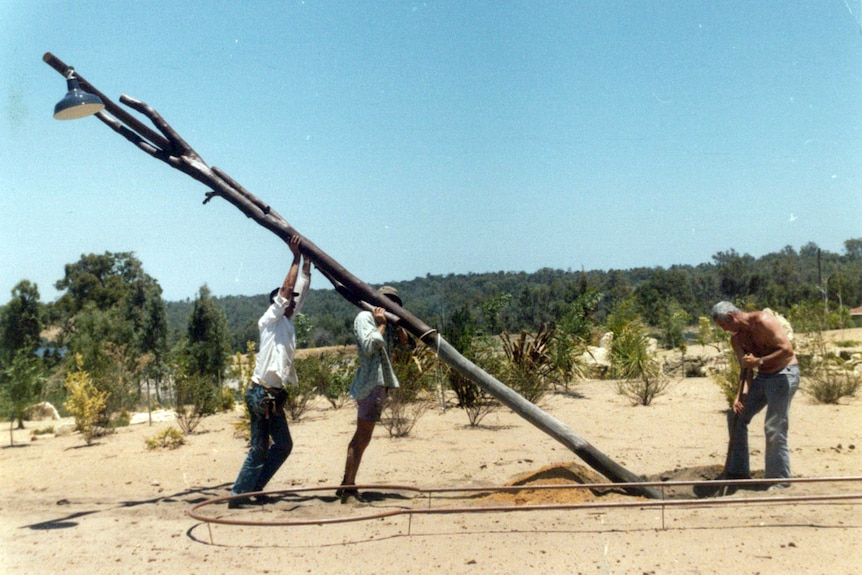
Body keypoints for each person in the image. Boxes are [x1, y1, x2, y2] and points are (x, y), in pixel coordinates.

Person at [229, 236, 311, 508]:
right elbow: (288, 290)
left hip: (272, 395)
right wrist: (295, 258)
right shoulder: (269, 321)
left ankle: (255, 486)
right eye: (287, 301)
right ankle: (238, 496)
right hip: (260, 393)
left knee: (283, 445)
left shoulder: (286, 322)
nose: (291, 304)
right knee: (259, 448)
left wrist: (307, 267)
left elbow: (298, 294)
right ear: (278, 302)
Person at [711, 301, 800, 489]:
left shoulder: (764, 321)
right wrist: (739, 396)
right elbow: (746, 370)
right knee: (736, 415)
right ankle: (738, 472)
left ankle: (779, 480)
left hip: (784, 374)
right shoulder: (736, 339)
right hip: (763, 377)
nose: (725, 330)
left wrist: (759, 361)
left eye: (724, 325)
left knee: (773, 427)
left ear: (731, 317)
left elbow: (787, 351)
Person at [337, 285, 408, 503]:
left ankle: (346, 484)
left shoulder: (378, 321)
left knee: (363, 437)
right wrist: (382, 325)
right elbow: (369, 346)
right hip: (370, 385)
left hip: (377, 385)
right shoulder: (365, 318)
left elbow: (406, 346)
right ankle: (348, 488)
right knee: (361, 437)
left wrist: (396, 327)